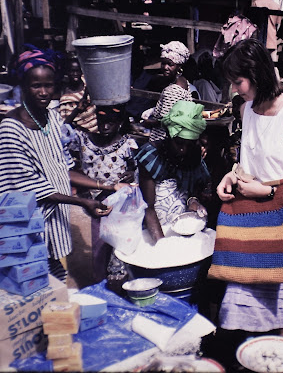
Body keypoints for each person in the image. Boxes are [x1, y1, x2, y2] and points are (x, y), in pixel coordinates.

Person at [216, 39, 283, 342]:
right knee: (237, 303)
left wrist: (268, 190)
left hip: (281, 222)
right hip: (247, 219)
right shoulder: (247, 108)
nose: (235, 89)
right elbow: (249, 158)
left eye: (238, 82)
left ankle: (281, 356)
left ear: (258, 74)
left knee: (277, 310)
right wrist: (231, 174)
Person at [0, 45, 124, 282]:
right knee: (30, 285)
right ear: (23, 86)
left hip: (53, 221)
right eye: (36, 85)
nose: (44, 92)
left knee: (55, 282)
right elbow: (30, 188)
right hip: (25, 227)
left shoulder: (53, 120)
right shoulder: (11, 128)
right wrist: (80, 201)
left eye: (49, 85)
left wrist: (109, 186)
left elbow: (64, 169)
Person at [67, 104, 139, 283]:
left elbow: (134, 168)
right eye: (102, 122)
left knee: (119, 242)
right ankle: (101, 283)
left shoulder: (127, 143)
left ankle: (119, 281)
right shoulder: (83, 140)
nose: (105, 126)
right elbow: (62, 132)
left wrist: (130, 174)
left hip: (120, 202)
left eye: (111, 123)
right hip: (93, 201)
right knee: (99, 243)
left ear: (120, 123)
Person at [136, 100, 210, 243]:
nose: (183, 150)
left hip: (180, 227)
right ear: (168, 135)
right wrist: (163, 246)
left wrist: (193, 201)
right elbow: (148, 208)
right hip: (154, 230)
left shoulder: (193, 156)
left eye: (189, 145)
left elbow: (194, 189)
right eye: (179, 143)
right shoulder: (151, 157)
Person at [141, 41, 193, 142]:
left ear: (179, 66)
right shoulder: (183, 81)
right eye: (163, 63)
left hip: (163, 140)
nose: (165, 67)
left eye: (170, 64)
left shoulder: (173, 89)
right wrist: (154, 110)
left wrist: (148, 123)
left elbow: (166, 122)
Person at [59, 55, 98, 133]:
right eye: (72, 71)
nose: (75, 74)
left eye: (77, 71)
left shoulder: (88, 83)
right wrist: (77, 109)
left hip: (99, 127)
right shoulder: (66, 99)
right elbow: (65, 125)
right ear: (67, 72)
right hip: (84, 133)